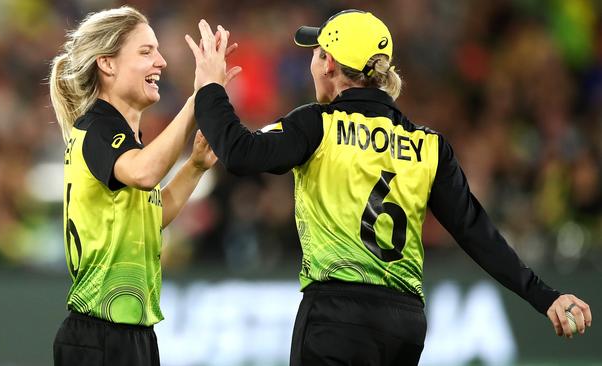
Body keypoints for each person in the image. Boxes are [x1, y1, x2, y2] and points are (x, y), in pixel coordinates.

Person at [185, 10, 593, 366]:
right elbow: (477, 233)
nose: (312, 62)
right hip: (404, 326)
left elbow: (239, 153)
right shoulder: (428, 145)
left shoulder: (317, 124)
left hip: (335, 315)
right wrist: (546, 297)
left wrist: (209, 86)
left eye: (315, 53)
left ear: (328, 63)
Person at [48, 6, 238, 366]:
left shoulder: (117, 135)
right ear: (107, 64)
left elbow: (152, 214)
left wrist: (195, 167)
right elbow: (145, 173)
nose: (161, 62)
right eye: (146, 51)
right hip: (101, 334)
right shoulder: (99, 127)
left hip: (128, 333)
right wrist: (200, 95)